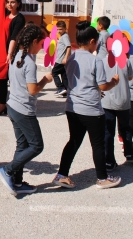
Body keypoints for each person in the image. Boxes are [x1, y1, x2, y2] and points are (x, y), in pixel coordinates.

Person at [52, 21, 122, 190]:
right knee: (97, 144)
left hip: (72, 107)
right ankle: (102, 178)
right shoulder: (95, 60)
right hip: (91, 109)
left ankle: (62, 174)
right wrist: (113, 82)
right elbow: (102, 85)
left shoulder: (70, 57)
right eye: (96, 42)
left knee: (73, 141)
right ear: (92, 41)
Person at [0, 25, 53, 196]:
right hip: (23, 110)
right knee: (36, 145)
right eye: (41, 44)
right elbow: (33, 90)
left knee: (22, 146)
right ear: (34, 42)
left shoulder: (16, 56)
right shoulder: (29, 62)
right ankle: (8, 170)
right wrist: (45, 80)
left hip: (12, 106)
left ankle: (17, 182)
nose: (42, 47)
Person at [101, 48, 133, 171]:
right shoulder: (126, 61)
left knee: (108, 132)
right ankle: (129, 153)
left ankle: (109, 160)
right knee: (126, 129)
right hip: (123, 99)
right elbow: (130, 77)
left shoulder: (102, 61)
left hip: (107, 101)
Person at [0, 0, 26, 116]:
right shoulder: (5, 15)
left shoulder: (20, 18)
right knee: (2, 79)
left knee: (13, 80)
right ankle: (2, 105)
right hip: (2, 51)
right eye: (7, 2)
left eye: (13, 2)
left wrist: (10, 53)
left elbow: (14, 37)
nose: (9, 4)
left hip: (13, 52)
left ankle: (14, 106)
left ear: (18, 4)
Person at [52, 21, 71, 97]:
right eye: (58, 29)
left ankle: (60, 88)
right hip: (61, 59)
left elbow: (69, 46)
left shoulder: (65, 36)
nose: (59, 31)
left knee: (54, 72)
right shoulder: (62, 36)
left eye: (61, 29)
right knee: (64, 75)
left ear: (65, 29)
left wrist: (66, 58)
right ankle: (66, 91)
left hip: (61, 60)